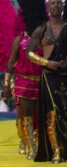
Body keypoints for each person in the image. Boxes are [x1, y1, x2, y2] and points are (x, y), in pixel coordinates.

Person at [27, 0, 67, 163]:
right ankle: (56, 151)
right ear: (47, 7)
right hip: (49, 77)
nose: (55, 5)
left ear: (63, 6)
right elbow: (30, 53)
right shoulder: (40, 30)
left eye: (58, 2)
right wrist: (46, 62)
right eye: (52, 3)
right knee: (52, 113)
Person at [4, 31, 43, 159]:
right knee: (23, 116)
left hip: (41, 82)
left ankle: (38, 144)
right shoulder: (19, 39)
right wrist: (6, 85)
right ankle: (25, 143)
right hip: (23, 81)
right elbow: (11, 62)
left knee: (39, 116)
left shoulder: (45, 37)